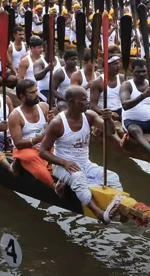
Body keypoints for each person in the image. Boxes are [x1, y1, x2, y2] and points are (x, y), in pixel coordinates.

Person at [39, 86, 124, 224]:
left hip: (85, 163)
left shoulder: (89, 116)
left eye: (87, 99)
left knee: (113, 177)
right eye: (83, 100)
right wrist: (64, 163)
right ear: (71, 102)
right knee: (78, 178)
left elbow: (110, 131)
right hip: (63, 166)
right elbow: (42, 151)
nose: (88, 102)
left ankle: (119, 206)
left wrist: (108, 119)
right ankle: (99, 213)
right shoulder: (57, 123)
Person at [9, 79, 56, 190]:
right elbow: (18, 143)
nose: (36, 94)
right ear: (22, 97)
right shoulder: (15, 116)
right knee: (31, 157)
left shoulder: (44, 107)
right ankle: (54, 186)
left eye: (36, 91)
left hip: (46, 147)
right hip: (27, 150)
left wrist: (52, 123)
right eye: (32, 93)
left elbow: (54, 132)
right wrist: (40, 138)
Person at [119, 59, 150, 160]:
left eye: (144, 71)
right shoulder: (127, 85)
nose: (141, 74)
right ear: (132, 72)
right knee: (135, 130)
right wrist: (143, 95)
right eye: (138, 72)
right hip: (132, 122)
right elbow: (125, 105)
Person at [89, 55, 124, 120]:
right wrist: (106, 113)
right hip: (104, 112)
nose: (118, 66)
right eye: (115, 64)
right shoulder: (97, 82)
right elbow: (93, 106)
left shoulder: (122, 78)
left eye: (119, 63)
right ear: (107, 66)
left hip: (120, 111)